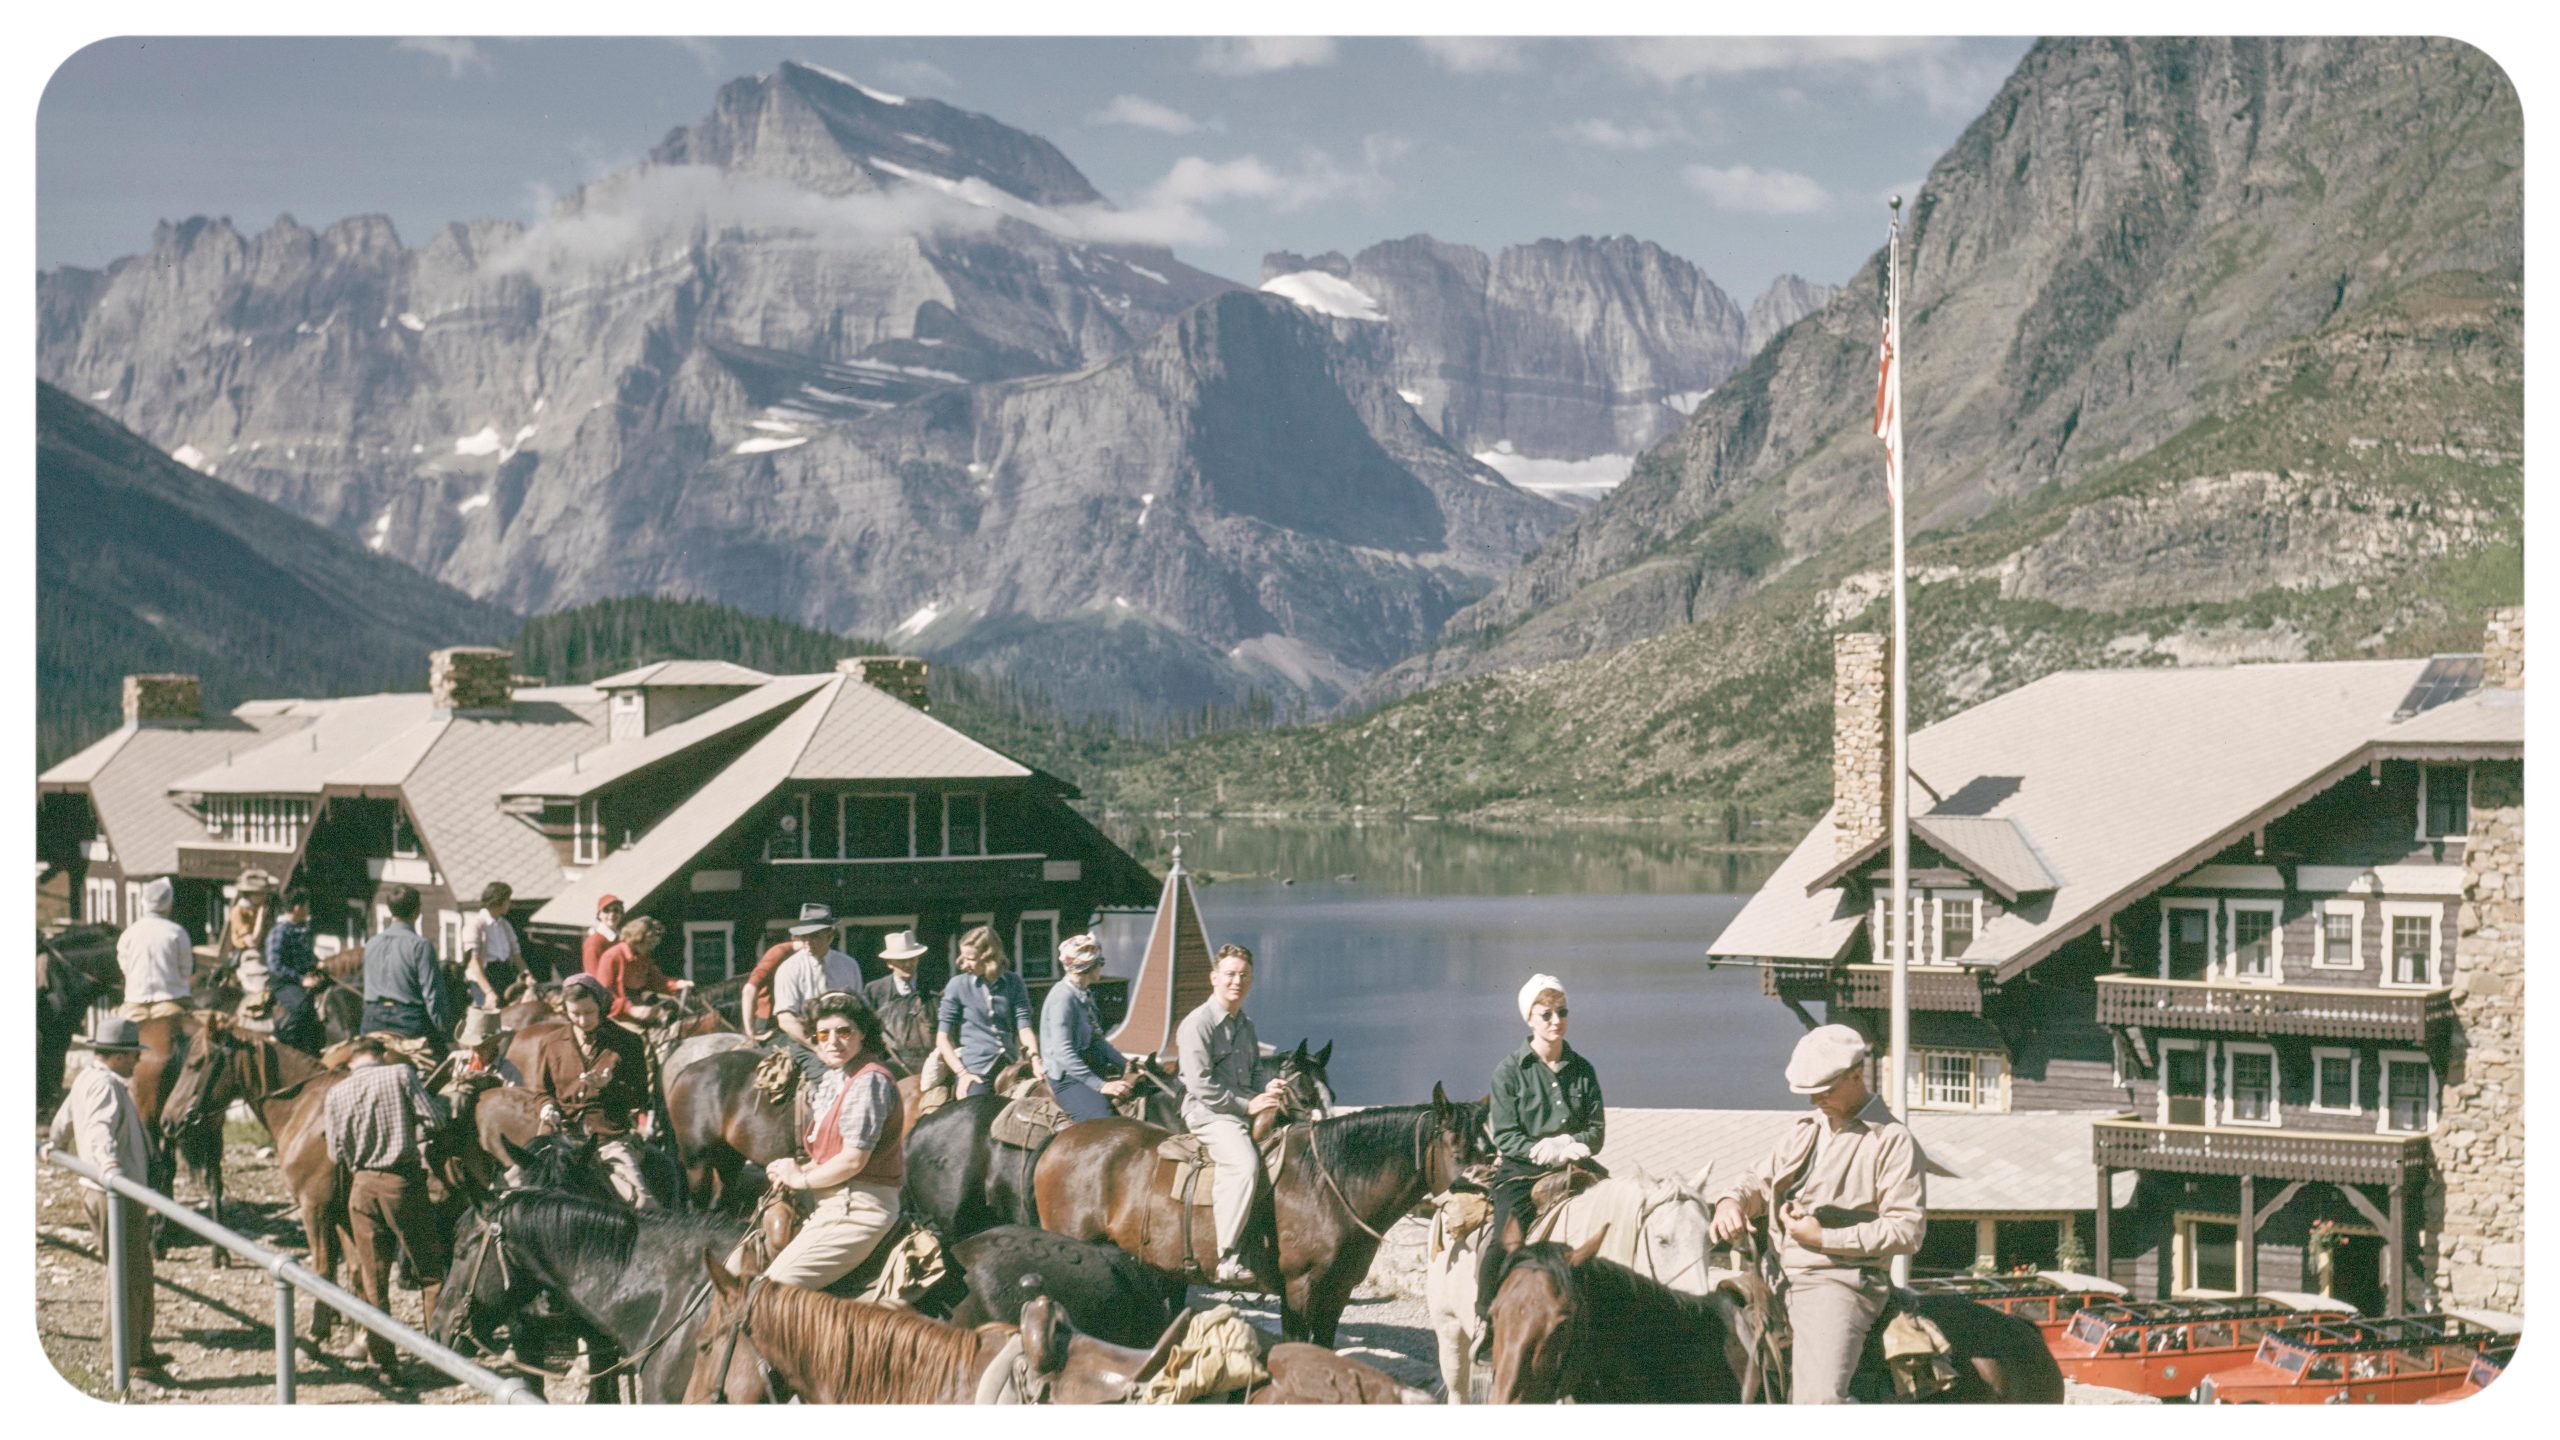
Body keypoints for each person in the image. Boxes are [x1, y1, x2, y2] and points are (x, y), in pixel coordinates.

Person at [1708, 1024, 1926, 1405]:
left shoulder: (1892, 1141)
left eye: (1823, 1092)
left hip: (1837, 1282)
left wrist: (1824, 1239)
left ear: (1857, 1076)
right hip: (1773, 1272)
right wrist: (1731, 1202)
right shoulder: (1805, 1130)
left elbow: (1907, 1230)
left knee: (1818, 1403)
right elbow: (1758, 1180)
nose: (1814, 1103)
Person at [736, 992, 906, 1291]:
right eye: (823, 1034)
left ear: (862, 1033)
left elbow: (854, 1160)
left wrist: (801, 1179)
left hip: (859, 1208)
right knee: (734, 1268)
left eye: (843, 1031)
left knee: (769, 1292)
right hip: (829, 1202)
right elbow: (827, 1156)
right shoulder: (836, 1078)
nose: (832, 1041)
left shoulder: (869, 1080)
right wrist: (791, 1168)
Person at [1478, 972, 1607, 1322]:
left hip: (1575, 1166)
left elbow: (1596, 1132)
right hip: (1522, 1170)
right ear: (1530, 1018)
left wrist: (1568, 1144)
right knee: (1505, 1241)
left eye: (1562, 1012)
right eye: (1546, 1014)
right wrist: (1541, 1149)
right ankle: (1486, 1320)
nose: (1556, 1021)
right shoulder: (1508, 1072)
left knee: (1618, 1214)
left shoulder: (1583, 1070)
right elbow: (1505, 1136)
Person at [47, 1017, 167, 1382]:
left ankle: (139, 1349)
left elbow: (65, 1119)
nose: (137, 1062)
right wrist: (108, 1163)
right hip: (114, 1193)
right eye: (133, 1055)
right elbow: (99, 1128)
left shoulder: (88, 1079)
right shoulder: (105, 1087)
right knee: (125, 1275)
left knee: (137, 1270)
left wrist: (54, 1143)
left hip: (107, 1191)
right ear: (115, 1056)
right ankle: (119, 1360)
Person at [323, 1036, 451, 1374]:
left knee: (373, 1279)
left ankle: (383, 1360)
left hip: (361, 1187)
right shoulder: (400, 1075)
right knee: (429, 1274)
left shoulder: (336, 1092)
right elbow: (435, 1121)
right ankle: (440, 1356)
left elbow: (335, 1154)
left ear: (352, 1062)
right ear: (381, 1056)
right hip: (401, 1183)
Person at [1176, 942, 1289, 1285]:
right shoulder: (1198, 1024)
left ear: (1251, 980)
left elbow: (1253, 1073)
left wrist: (1266, 1091)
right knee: (1243, 1164)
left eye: (1243, 975)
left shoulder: (1246, 1025)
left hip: (1240, 1107)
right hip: (1209, 1112)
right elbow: (1200, 1085)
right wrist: (1247, 1104)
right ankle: (1227, 1257)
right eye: (1229, 974)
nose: (1236, 981)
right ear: (1214, 978)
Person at [533, 974, 658, 1209]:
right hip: (561, 1138)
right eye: (575, 1014)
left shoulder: (628, 1042)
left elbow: (641, 1097)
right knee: (514, 1189)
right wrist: (548, 1108)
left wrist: (608, 1087)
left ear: (601, 1005)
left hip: (607, 1138)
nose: (582, 1020)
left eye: (589, 1012)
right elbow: (542, 1091)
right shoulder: (550, 1043)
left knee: (642, 1203)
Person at [767, 904, 869, 1087]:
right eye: (804, 936)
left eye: (815, 936)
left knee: (874, 1074)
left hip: (845, 1038)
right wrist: (817, 1048)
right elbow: (785, 1018)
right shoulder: (789, 969)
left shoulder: (848, 965)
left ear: (830, 936)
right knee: (829, 1082)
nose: (808, 942)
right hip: (806, 1040)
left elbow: (859, 1009)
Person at [935, 925, 1040, 1099]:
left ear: (989, 958)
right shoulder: (956, 985)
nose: (964, 964)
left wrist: (1036, 1060)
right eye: (963, 957)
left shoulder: (1014, 983)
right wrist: (962, 1074)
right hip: (976, 1070)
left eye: (971, 959)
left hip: (1011, 1066)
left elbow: (1024, 1027)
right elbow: (942, 1038)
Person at [1040, 934, 1134, 1122]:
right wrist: (1100, 1086)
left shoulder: (1083, 993)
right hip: (1066, 1079)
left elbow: (1096, 1039)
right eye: (1101, 961)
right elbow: (1062, 1052)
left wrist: (1127, 1064)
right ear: (1087, 966)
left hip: (1086, 1070)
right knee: (1105, 1120)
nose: (1102, 966)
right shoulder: (1063, 998)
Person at [361, 885, 456, 1059]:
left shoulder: (371, 943)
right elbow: (432, 997)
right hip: (408, 1022)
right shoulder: (420, 946)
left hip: (372, 1020)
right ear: (417, 911)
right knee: (442, 1070)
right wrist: (446, 1032)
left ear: (390, 911)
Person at [864, 929, 937, 1077]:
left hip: (928, 1063)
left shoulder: (933, 987)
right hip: (889, 1062)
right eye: (902, 961)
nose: (909, 964)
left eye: (913, 959)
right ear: (890, 963)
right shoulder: (875, 990)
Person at [591, 915, 689, 1024]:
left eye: (654, 944)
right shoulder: (613, 956)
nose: (652, 947)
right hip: (618, 1015)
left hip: (641, 1008)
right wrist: (630, 1009)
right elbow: (604, 994)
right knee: (639, 1037)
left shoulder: (643, 956)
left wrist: (678, 984)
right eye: (649, 943)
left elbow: (658, 981)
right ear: (637, 939)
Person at [262, 888, 323, 1053]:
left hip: (305, 976)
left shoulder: (304, 929)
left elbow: (306, 956)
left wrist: (317, 963)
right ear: (297, 908)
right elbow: (274, 965)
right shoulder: (279, 932)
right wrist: (301, 979)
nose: (308, 909)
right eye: (306, 906)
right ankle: (277, 1037)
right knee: (301, 1006)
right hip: (284, 982)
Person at [459, 882, 524, 1008]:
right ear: (498, 902)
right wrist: (488, 992)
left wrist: (527, 976)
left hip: (504, 975)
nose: (509, 904)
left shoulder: (505, 925)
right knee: (488, 1018)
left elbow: (516, 955)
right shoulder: (475, 925)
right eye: (507, 900)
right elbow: (473, 962)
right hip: (482, 980)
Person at [223, 871, 275, 997]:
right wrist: (260, 917)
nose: (262, 897)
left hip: (266, 953)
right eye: (258, 894)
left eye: (263, 894)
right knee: (259, 988)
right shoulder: (239, 911)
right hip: (248, 955)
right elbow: (252, 942)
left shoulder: (264, 909)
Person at [580, 895, 624, 980]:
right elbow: (593, 974)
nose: (612, 914)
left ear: (621, 913)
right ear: (599, 915)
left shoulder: (621, 938)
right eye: (606, 910)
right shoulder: (594, 942)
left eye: (616, 910)